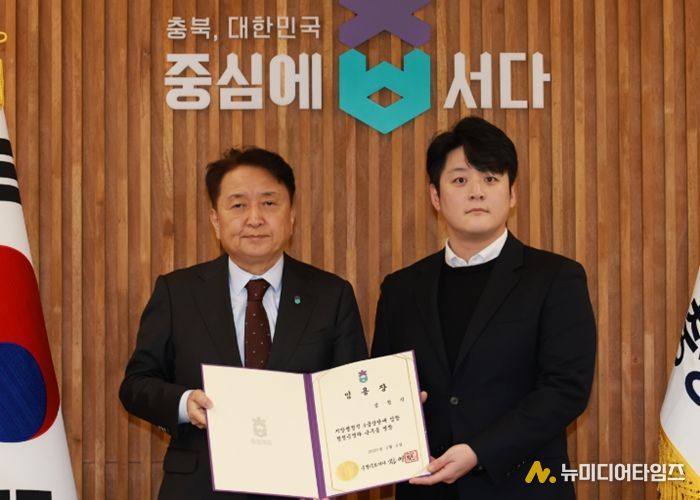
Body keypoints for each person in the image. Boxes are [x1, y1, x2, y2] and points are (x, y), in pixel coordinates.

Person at [119, 147, 368, 500]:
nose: (254, 218)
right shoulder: (177, 292)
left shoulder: (331, 294)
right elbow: (136, 385)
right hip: (200, 488)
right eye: (238, 205)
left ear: (291, 214)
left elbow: (352, 390)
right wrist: (184, 402)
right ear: (215, 219)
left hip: (300, 487)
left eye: (269, 203)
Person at [371, 116, 596, 499]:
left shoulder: (556, 278)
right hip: (428, 487)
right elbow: (380, 386)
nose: (476, 192)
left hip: (522, 487)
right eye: (460, 180)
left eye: (490, 179)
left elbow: (566, 389)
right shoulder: (400, 288)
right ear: (436, 197)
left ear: (511, 194)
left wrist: (480, 451)